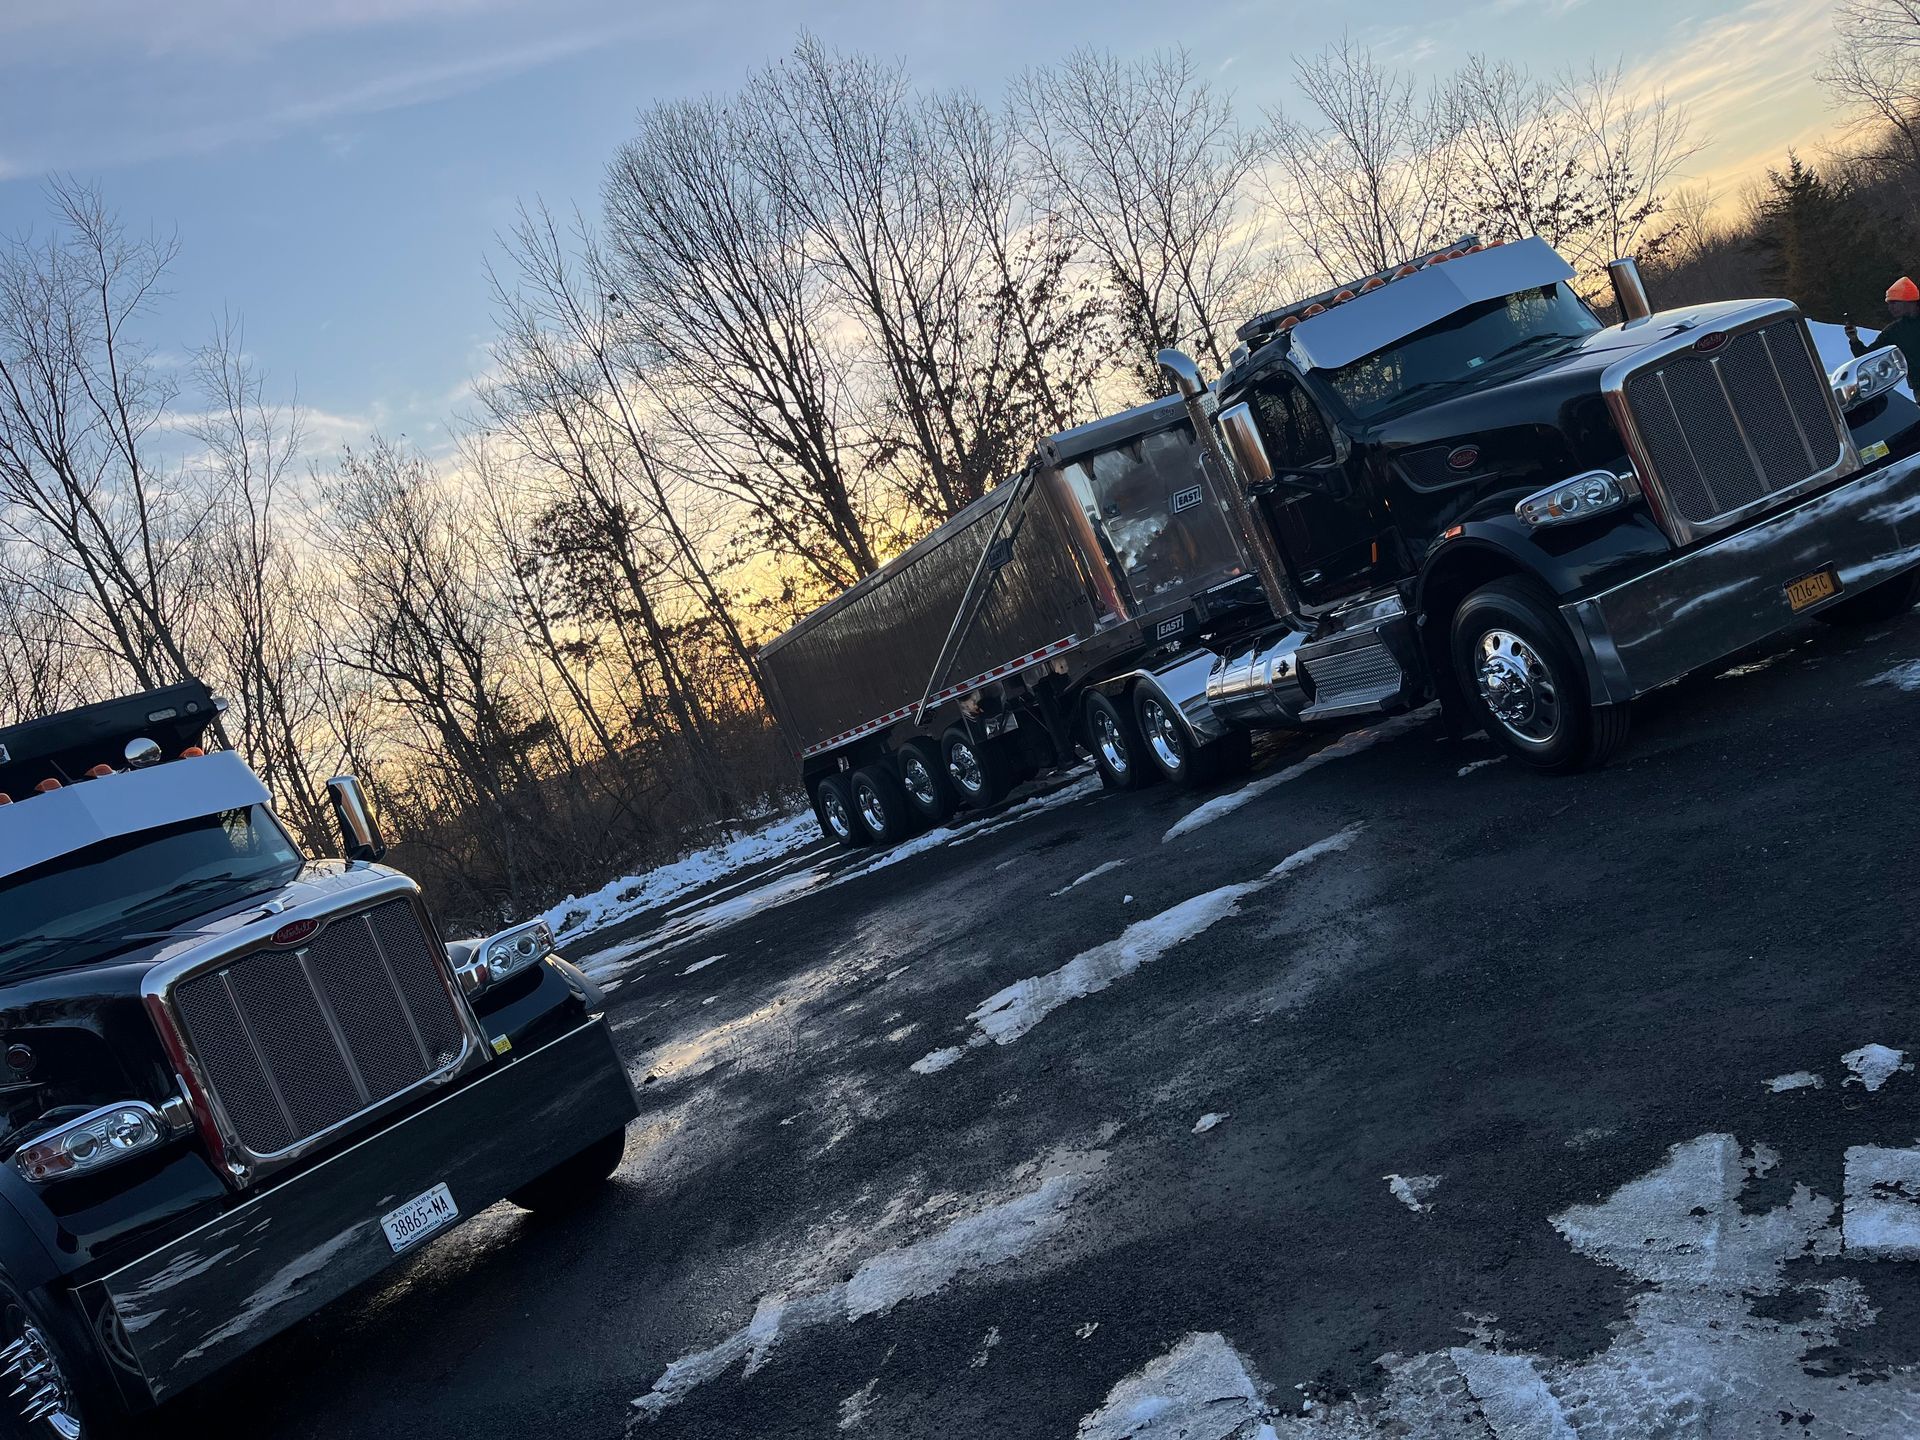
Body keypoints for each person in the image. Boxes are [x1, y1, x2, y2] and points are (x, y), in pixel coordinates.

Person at [1847, 277, 1920, 376]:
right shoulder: (1894, 331)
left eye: (1893, 303)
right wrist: (1854, 340)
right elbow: (1867, 357)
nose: (1890, 308)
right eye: (1889, 304)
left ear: (1908, 300)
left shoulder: (1895, 330)